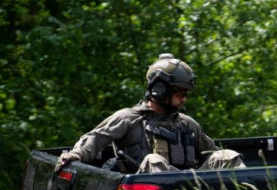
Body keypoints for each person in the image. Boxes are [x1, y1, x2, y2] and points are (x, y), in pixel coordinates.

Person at [55, 53, 245, 174]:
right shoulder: (129, 118)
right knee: (154, 160)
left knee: (227, 156)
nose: (184, 99)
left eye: (185, 94)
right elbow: (96, 138)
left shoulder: (187, 124)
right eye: (179, 93)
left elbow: (209, 152)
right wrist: (75, 155)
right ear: (160, 90)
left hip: (189, 189)